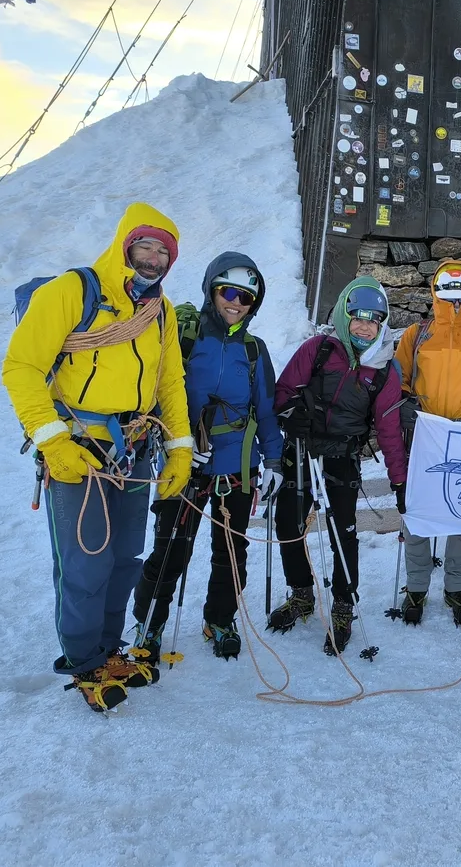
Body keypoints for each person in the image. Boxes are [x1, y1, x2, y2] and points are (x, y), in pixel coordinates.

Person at [3, 203, 192, 712]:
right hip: (79, 448)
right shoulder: (72, 292)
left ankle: (109, 651)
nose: (153, 259)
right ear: (124, 244)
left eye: (163, 252)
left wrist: (179, 450)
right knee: (86, 562)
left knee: (125, 557)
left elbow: (170, 383)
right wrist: (52, 441)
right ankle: (85, 661)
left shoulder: (161, 311)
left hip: (135, 447)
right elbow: (21, 366)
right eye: (145, 245)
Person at [129, 254, 285, 664]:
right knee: (170, 551)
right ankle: (148, 626)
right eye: (228, 292)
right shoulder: (184, 338)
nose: (236, 303)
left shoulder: (254, 351)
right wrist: (175, 442)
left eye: (246, 297)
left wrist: (274, 461)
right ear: (211, 290)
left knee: (231, 553)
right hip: (183, 462)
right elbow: (156, 398)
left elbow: (265, 410)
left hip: (237, 467)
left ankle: (219, 619)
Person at [267, 276, 408, 655]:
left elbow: (389, 431)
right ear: (345, 316)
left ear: (382, 324)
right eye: (358, 318)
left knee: (343, 532)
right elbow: (283, 392)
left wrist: (399, 481)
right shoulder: (318, 350)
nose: (364, 327)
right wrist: (292, 414)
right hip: (301, 448)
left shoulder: (384, 370)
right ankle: (301, 593)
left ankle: (344, 604)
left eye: (373, 321)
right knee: (288, 524)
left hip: (342, 456)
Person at [393, 259, 461, 627]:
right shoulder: (417, 334)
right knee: (418, 509)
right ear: (436, 292)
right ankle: (416, 585)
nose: (455, 301)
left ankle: (456, 585)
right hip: (423, 433)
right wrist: (405, 406)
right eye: (448, 292)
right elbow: (399, 380)